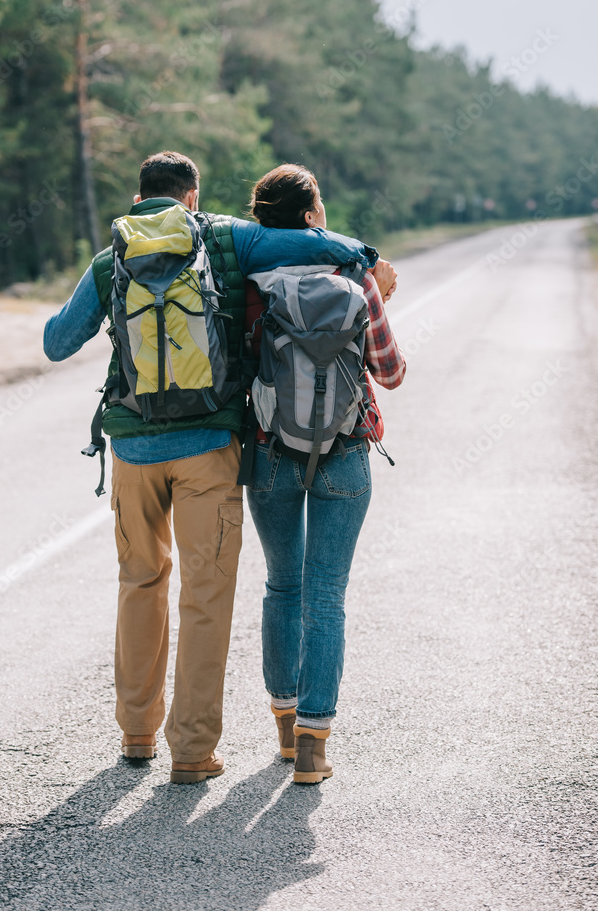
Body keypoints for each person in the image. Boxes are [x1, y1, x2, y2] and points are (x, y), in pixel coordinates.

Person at [43, 151, 386, 784]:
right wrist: (360, 254)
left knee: (140, 582)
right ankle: (193, 755)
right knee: (205, 595)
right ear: (192, 197)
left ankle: (138, 734)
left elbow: (57, 343)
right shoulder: (223, 237)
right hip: (209, 448)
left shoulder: (113, 257)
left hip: (134, 451)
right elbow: (302, 239)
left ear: (139, 198)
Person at [244, 164, 406, 784]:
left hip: (269, 449)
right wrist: (377, 300)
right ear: (313, 215)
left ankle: (285, 729)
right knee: (326, 594)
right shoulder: (354, 273)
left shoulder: (248, 278)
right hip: (346, 450)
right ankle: (314, 745)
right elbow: (388, 371)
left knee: (282, 587)